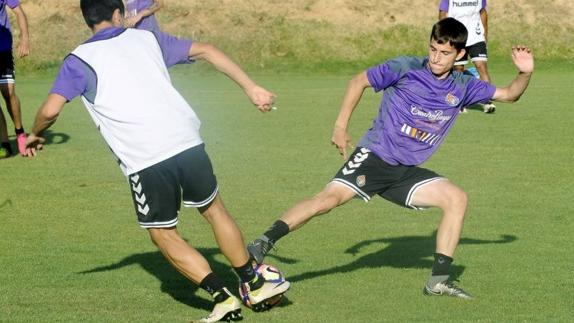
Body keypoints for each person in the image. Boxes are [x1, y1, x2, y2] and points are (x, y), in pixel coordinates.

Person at [24, 0, 289, 321]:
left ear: (86, 20)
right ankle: (253, 281)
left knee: (162, 233)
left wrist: (36, 133)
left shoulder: (79, 60)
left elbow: (50, 110)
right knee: (214, 210)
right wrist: (252, 88)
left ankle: (223, 298)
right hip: (187, 139)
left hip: (146, 157)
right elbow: (206, 49)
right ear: (119, 14)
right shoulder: (146, 38)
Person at [248, 17, 533, 299]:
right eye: (433, 48)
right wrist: (340, 126)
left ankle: (438, 281)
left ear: (460, 55)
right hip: (375, 156)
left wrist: (524, 73)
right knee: (327, 201)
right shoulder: (406, 67)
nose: (436, 57)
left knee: (456, 198)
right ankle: (261, 244)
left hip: (405, 171)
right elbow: (358, 81)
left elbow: (509, 94)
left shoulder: (463, 85)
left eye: (445, 53)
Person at [439, 0, 496, 113]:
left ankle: (487, 101)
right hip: (457, 37)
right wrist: (444, 35)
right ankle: (458, 102)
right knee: (458, 70)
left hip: (476, 37)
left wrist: (485, 33)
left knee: (481, 66)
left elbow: (483, 12)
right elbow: (442, 14)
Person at [0, 0, 29, 158]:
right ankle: (4, 143)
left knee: (8, 92)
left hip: (2, 47)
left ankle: (20, 133)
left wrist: (24, 39)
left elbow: (19, 12)